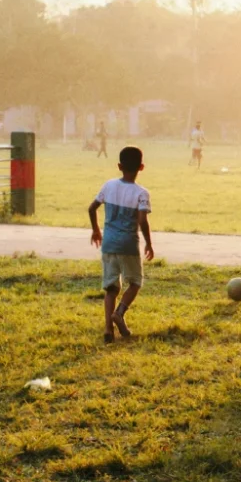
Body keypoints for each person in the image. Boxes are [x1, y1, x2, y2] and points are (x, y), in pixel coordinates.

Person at [89, 146, 155, 343]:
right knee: (134, 282)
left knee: (111, 288)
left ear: (119, 166)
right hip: (129, 244)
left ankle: (108, 330)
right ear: (141, 167)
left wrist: (96, 230)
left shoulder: (108, 186)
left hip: (108, 243)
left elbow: (92, 208)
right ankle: (120, 312)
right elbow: (142, 221)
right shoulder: (142, 193)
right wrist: (149, 244)